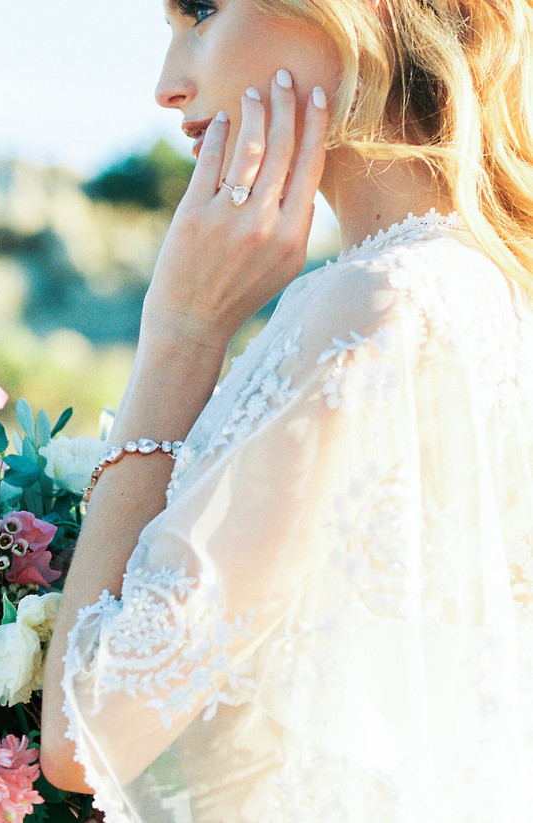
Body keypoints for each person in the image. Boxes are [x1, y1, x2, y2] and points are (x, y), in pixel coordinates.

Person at [40, 0, 533, 820]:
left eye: (200, 11)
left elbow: (82, 736)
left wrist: (180, 337)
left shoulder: (374, 306)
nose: (166, 85)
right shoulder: (493, 293)